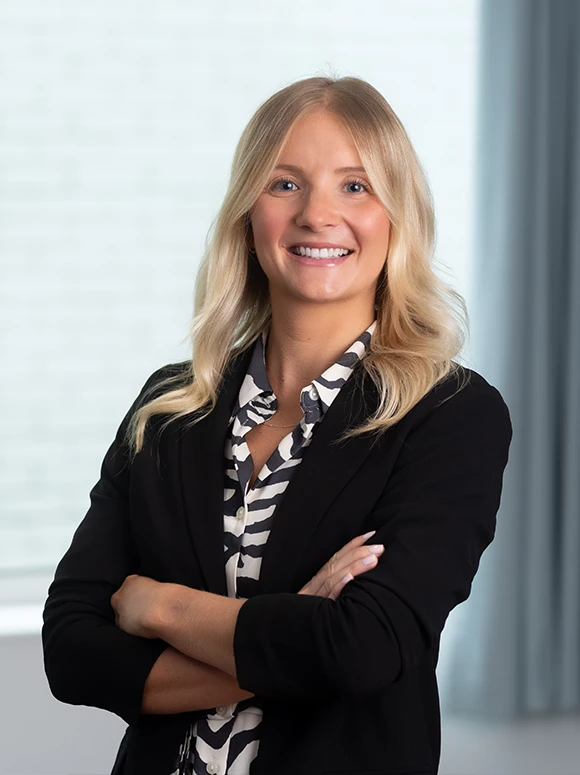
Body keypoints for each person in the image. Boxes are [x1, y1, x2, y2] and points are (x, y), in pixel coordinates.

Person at [42, 76, 512, 775]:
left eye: (355, 186)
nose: (318, 214)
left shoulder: (451, 416)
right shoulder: (169, 407)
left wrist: (161, 607)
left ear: (397, 215)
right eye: (285, 184)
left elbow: (362, 650)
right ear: (247, 213)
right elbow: (72, 651)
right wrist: (298, 629)